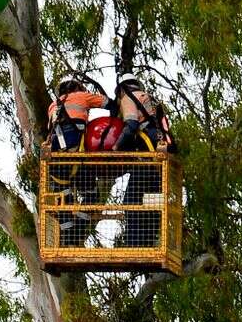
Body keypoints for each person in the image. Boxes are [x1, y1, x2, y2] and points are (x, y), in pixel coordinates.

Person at [45, 75, 110, 246]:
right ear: (77, 88)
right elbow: (108, 103)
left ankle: (68, 235)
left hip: (57, 162)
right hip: (78, 158)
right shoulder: (82, 96)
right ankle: (78, 229)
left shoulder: (53, 106)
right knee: (92, 195)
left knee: (63, 197)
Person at [113, 73, 171, 250]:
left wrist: (116, 148)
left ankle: (134, 246)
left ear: (122, 89)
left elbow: (131, 126)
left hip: (146, 159)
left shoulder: (128, 97)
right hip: (160, 158)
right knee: (153, 202)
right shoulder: (151, 100)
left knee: (131, 202)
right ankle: (151, 244)